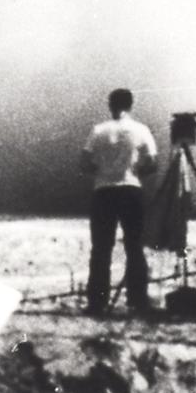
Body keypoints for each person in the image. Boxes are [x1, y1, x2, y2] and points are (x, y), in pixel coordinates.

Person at [80, 87, 158, 316]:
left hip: (103, 192)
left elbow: (84, 163)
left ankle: (97, 302)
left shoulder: (98, 130)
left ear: (110, 105)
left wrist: (104, 171)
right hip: (131, 189)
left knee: (101, 248)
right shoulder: (141, 130)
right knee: (134, 247)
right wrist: (133, 170)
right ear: (131, 105)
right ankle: (138, 300)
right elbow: (152, 162)